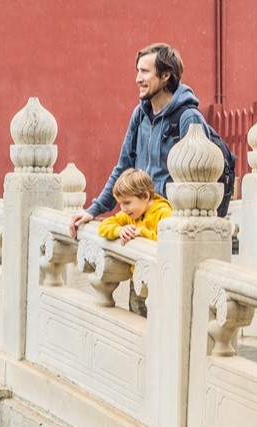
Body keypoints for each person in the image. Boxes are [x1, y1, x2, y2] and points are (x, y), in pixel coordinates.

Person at [69, 42, 208, 239]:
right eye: (137, 71)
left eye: (144, 71)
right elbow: (123, 167)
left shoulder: (188, 118)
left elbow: (199, 182)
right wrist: (94, 210)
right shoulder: (140, 114)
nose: (137, 79)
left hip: (170, 228)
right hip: (138, 224)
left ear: (165, 75)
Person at [97, 168, 171, 316]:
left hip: (159, 283)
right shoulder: (130, 215)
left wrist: (143, 233)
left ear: (145, 196)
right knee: (136, 315)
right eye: (120, 204)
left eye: (127, 203)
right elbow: (103, 227)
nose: (123, 209)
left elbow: (168, 245)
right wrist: (119, 231)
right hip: (136, 281)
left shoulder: (164, 213)